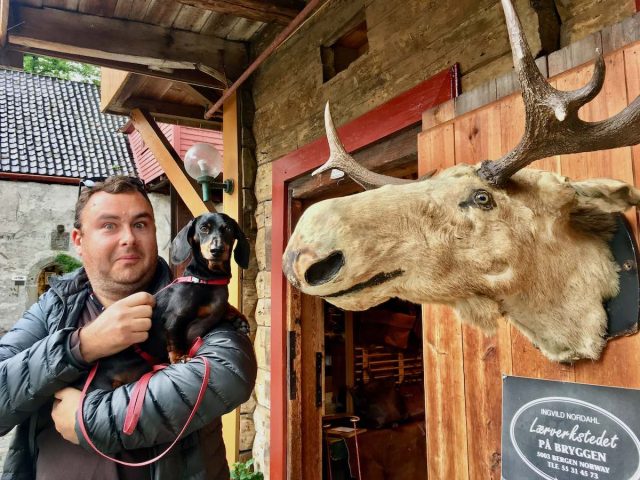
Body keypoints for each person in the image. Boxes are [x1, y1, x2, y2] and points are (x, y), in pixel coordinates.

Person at [0, 176, 257, 480]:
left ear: (154, 232)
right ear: (79, 240)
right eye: (109, 225)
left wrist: (87, 420)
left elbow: (229, 375)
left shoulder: (198, 297)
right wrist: (81, 345)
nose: (129, 239)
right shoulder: (53, 308)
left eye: (140, 224)